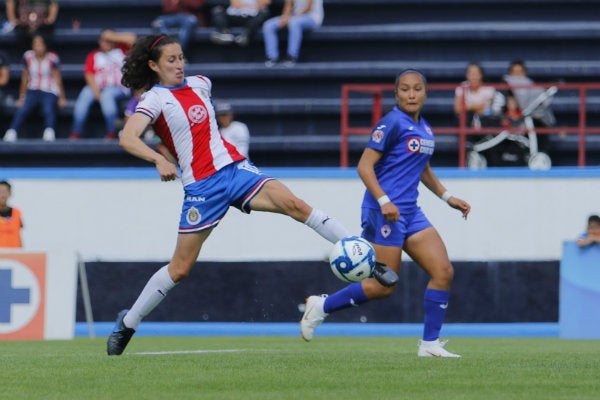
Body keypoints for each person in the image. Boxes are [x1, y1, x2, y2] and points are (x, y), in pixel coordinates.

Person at [105, 34, 397, 356]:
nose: (179, 65)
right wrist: (159, 159)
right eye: (171, 60)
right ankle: (127, 324)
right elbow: (127, 138)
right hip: (202, 187)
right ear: (153, 65)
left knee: (295, 205)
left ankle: (370, 261)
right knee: (180, 269)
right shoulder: (154, 99)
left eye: (181, 58)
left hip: (235, 170)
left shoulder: (201, 83)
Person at [300, 69, 471, 358]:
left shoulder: (425, 129)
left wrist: (446, 196)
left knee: (443, 272)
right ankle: (321, 306)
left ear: (426, 94)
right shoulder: (391, 122)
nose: (412, 94)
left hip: (410, 212)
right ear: (396, 94)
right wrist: (384, 201)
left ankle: (429, 345)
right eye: (405, 89)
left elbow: (422, 168)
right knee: (383, 286)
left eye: (417, 89)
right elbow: (364, 166)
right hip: (384, 212)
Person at [69, 29, 136, 140]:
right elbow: (89, 74)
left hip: (118, 88)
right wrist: (97, 93)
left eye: (109, 40)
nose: (106, 43)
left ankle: (112, 132)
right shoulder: (94, 55)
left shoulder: (122, 50)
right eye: (104, 40)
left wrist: (112, 36)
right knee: (85, 94)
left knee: (107, 95)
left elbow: (133, 39)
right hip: (98, 88)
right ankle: (76, 132)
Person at [3, 34, 66, 142]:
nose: (37, 47)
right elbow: (25, 77)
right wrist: (22, 96)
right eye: (35, 44)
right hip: (33, 90)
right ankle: (12, 131)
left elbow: (58, 79)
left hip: (49, 90)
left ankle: (49, 131)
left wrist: (62, 97)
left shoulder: (53, 58)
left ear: (45, 46)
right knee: (24, 108)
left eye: (40, 44)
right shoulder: (27, 56)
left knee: (48, 108)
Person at [503, 59, 556, 153]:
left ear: (525, 73)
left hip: (530, 120)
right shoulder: (504, 88)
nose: (517, 77)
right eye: (515, 73)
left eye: (520, 72)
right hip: (509, 122)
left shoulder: (533, 88)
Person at [262, 0, 323, 67]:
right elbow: (288, 4)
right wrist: (285, 17)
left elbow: (308, 8)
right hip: (294, 16)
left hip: (311, 17)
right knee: (268, 26)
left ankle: (291, 57)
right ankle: (272, 57)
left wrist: (291, 18)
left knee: (294, 23)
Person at [454, 62, 504, 130]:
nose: (474, 76)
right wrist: (476, 107)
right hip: (468, 122)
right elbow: (457, 109)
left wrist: (468, 107)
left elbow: (486, 110)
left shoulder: (489, 89)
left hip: (485, 122)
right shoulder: (462, 87)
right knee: (464, 117)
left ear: (481, 75)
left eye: (476, 73)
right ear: (467, 75)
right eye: (471, 73)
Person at [0, 180, 23, 248]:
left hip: (14, 254)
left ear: (10, 193)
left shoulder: (17, 212)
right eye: (0, 191)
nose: (2, 195)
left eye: (5, 191)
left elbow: (19, 234)